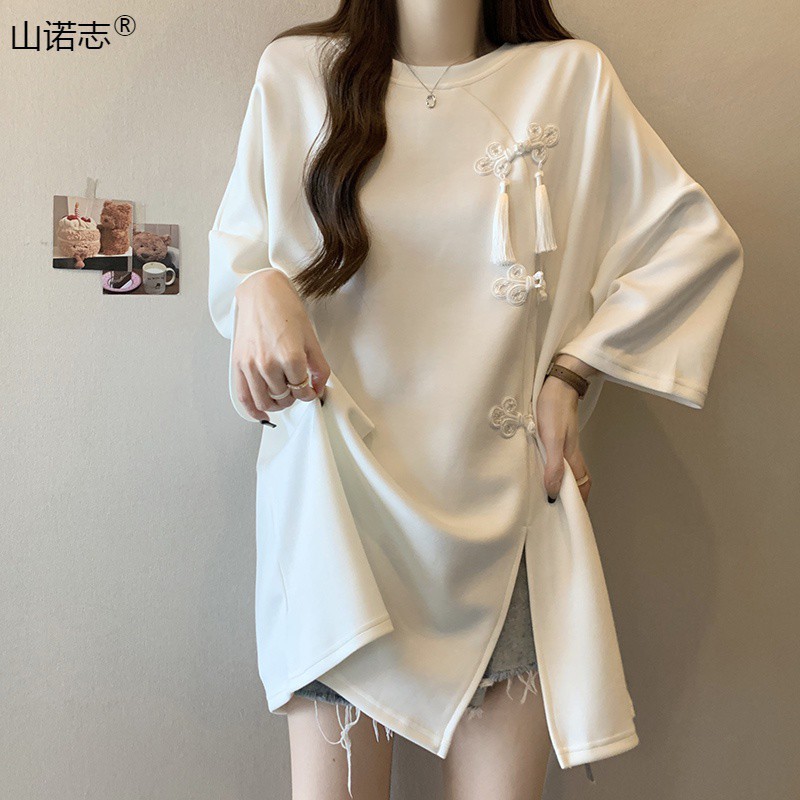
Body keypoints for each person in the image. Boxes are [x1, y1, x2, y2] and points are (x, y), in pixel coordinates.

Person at [207, 2, 744, 797]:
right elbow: (238, 259)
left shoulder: (569, 80)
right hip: (336, 508)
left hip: (503, 518)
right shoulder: (299, 75)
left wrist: (572, 373)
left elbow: (693, 242)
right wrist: (256, 285)